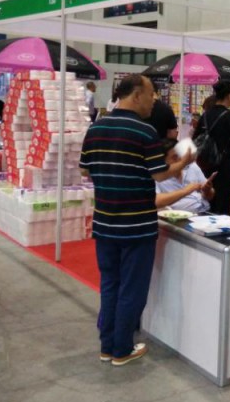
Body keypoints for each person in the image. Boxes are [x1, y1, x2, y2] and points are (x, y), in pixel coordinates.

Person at [79, 74, 191, 366]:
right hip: (136, 226)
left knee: (110, 285)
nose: (154, 100)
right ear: (137, 94)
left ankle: (107, 345)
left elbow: (85, 170)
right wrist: (183, 162)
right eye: (151, 94)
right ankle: (122, 348)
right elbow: (160, 175)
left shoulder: (97, 127)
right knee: (132, 288)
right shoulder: (143, 131)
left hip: (105, 223)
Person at [192, 81, 230, 215]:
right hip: (224, 167)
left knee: (206, 199)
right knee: (222, 203)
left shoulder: (205, 115)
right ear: (229, 96)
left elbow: (195, 139)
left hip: (205, 165)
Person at [155, 139, 215, 213]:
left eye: (180, 155)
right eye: (174, 157)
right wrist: (186, 191)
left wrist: (207, 190)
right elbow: (156, 201)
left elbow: (210, 196)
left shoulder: (191, 166)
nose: (179, 160)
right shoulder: (157, 175)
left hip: (205, 211)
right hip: (177, 217)